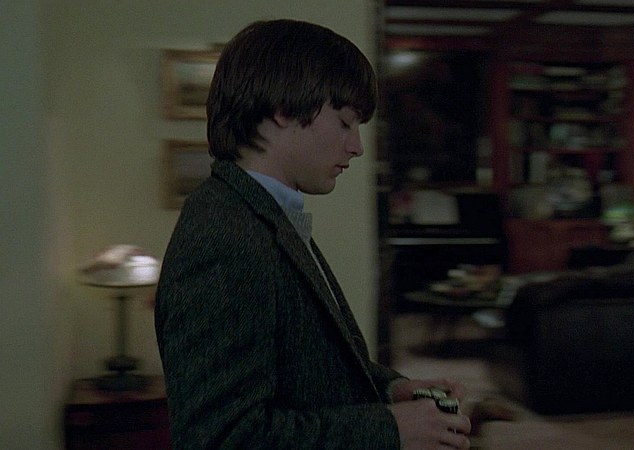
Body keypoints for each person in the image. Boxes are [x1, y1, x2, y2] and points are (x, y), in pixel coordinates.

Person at [154, 18, 471, 449]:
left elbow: (309, 368)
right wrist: (390, 429)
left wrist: (391, 390)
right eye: (344, 122)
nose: (357, 146)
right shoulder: (225, 236)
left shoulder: (263, 213)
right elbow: (222, 437)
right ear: (283, 109)